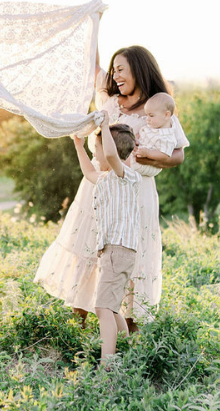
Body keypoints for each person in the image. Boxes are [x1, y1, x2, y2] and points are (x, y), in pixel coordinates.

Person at [35, 46, 189, 328]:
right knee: (90, 245)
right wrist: (94, 21)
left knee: (129, 252)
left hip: (136, 190)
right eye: (114, 69)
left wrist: (150, 157)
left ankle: (128, 328)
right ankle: (78, 323)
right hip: (99, 186)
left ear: (139, 69)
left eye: (121, 69)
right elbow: (95, 71)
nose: (115, 76)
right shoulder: (110, 101)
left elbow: (178, 154)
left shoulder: (158, 109)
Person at [72, 115, 141, 363]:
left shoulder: (127, 176)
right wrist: (79, 145)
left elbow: (111, 157)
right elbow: (89, 171)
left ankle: (107, 366)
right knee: (110, 308)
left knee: (102, 309)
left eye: (97, 148)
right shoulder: (105, 180)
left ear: (111, 149)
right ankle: (132, 352)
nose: (97, 154)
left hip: (118, 250)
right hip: (114, 252)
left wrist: (104, 125)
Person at [131, 93, 178, 177]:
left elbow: (164, 155)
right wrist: (136, 139)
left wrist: (148, 153)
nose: (147, 119)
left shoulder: (167, 137)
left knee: (119, 158)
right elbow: (142, 132)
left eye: (151, 115)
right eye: (147, 115)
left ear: (166, 115)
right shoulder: (152, 126)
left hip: (148, 165)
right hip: (139, 155)